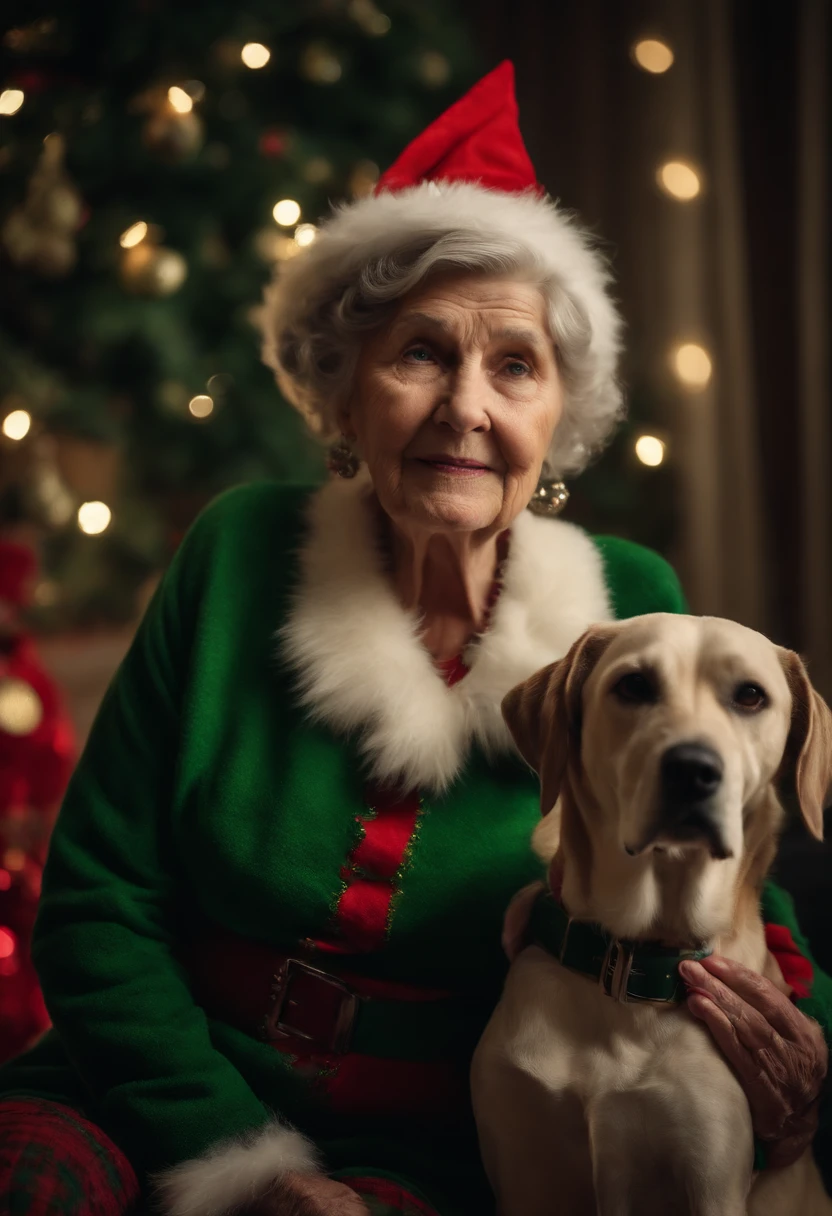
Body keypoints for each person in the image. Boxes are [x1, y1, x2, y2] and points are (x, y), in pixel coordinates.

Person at [0, 61, 828, 1216]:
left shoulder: (628, 606)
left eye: (515, 366)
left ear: (559, 410)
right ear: (345, 394)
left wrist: (803, 1058)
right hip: (157, 1097)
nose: (467, 410)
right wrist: (240, 1158)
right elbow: (97, 901)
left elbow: (734, 869)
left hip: (442, 1145)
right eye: (421, 354)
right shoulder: (237, 556)